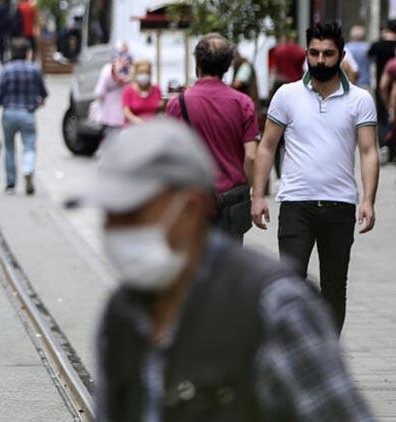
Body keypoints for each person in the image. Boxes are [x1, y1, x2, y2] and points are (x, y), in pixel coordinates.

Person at [84, 118, 375, 422]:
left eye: (132, 215)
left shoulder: (273, 306)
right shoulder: (122, 313)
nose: (115, 230)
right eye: (109, 216)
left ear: (191, 208)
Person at [252, 22, 380, 335]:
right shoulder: (287, 95)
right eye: (314, 53)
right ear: (306, 54)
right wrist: (257, 195)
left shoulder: (360, 100)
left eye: (328, 54)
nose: (320, 60)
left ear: (341, 55)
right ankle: (293, 353)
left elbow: (368, 152)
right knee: (290, 285)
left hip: (339, 205)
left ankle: (328, 354)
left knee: (334, 286)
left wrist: (368, 199)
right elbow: (267, 146)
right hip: (296, 204)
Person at [166, 33, 258, 242]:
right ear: (227, 66)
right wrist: (248, 190)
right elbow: (251, 156)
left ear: (197, 62)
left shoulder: (177, 104)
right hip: (232, 204)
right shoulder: (242, 103)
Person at [0, 39, 48, 195]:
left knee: (9, 148)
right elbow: (44, 94)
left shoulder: (6, 70)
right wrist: (38, 102)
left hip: (9, 114)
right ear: (27, 53)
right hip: (27, 114)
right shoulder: (34, 70)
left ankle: (10, 185)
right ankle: (28, 169)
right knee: (29, 146)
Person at [92, 42, 132, 135]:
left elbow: (99, 92)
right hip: (128, 116)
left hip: (109, 115)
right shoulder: (131, 69)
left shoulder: (107, 69)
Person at [368, 20, 396, 139]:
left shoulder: (378, 44)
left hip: (382, 80)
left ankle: (384, 142)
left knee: (382, 114)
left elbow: (369, 55)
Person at [122, 59, 161, 126]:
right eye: (141, 72)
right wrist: (137, 121)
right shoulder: (128, 90)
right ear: (136, 74)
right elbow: (126, 111)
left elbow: (159, 109)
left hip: (152, 127)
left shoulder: (156, 89)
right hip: (133, 128)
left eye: (147, 72)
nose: (144, 75)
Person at [378, 56, 396, 162]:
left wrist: (388, 105)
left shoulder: (392, 64)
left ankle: (387, 148)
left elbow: (383, 86)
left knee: (392, 125)